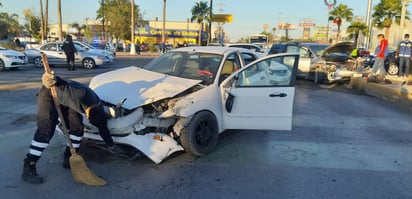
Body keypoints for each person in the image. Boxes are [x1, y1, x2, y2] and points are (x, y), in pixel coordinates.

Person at [21, 72, 122, 184]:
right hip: (50, 93)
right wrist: (53, 79)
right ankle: (29, 166)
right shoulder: (79, 95)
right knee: (46, 131)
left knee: (77, 128)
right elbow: (63, 84)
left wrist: (111, 145)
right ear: (87, 116)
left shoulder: (97, 105)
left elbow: (103, 128)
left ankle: (69, 159)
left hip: (67, 100)